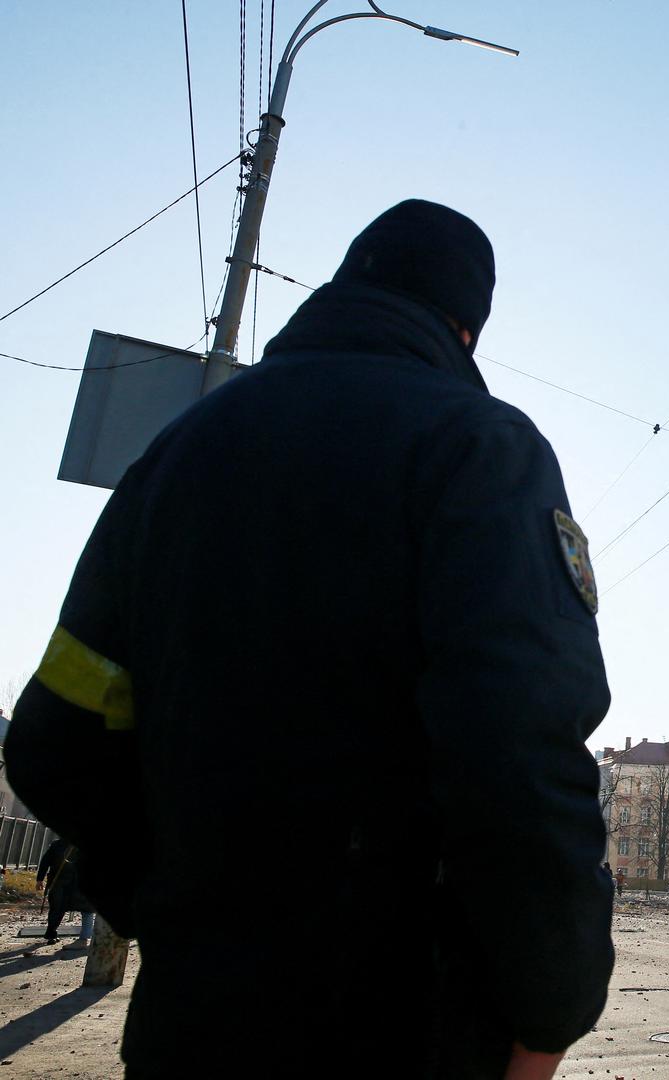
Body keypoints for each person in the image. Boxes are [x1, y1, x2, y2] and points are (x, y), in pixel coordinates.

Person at [6, 200, 613, 1080]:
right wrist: (550, 1010)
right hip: (405, 1020)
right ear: (465, 328)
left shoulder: (176, 454)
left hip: (193, 1022)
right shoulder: (478, 446)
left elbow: (53, 738)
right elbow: (517, 749)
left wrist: (179, 901)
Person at [36, 838, 94, 949]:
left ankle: (52, 934)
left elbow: (45, 861)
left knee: (58, 908)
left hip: (63, 882)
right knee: (86, 910)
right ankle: (84, 939)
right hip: (74, 883)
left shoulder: (58, 844)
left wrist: (40, 879)